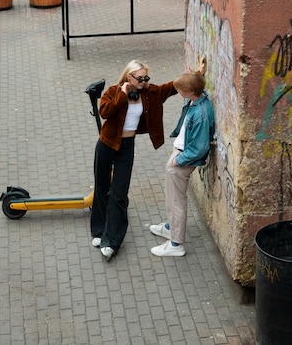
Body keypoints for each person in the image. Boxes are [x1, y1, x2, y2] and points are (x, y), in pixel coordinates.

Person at [91, 59, 177, 262]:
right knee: (101, 187)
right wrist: (122, 94)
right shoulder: (114, 91)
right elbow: (104, 112)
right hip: (106, 145)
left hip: (126, 148)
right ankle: (98, 230)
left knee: (119, 193)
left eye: (146, 77)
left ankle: (111, 242)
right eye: (140, 78)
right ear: (129, 77)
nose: (144, 81)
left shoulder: (150, 92)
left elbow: (171, 88)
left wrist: (196, 75)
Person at [150, 57, 215, 257]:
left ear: (190, 92)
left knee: (177, 201)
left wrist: (178, 161)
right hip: (179, 155)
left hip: (182, 160)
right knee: (172, 197)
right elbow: (194, 83)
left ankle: (176, 244)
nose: (178, 93)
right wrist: (200, 72)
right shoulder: (196, 99)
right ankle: (171, 227)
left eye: (180, 90)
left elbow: (200, 147)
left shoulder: (201, 113)